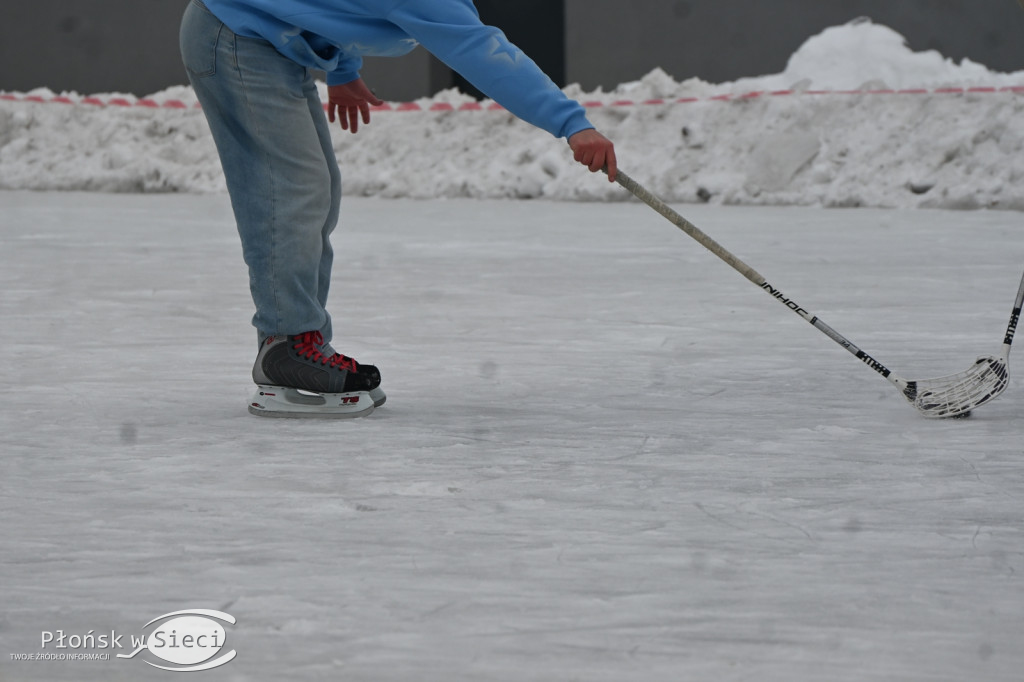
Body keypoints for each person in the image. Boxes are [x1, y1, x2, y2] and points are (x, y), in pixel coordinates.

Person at [179, 0, 618, 418]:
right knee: (291, 191)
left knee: (315, 192)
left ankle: (299, 340)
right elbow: (480, 50)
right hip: (236, 33)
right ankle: (287, 343)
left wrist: (343, 68)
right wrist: (571, 123)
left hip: (266, 37)